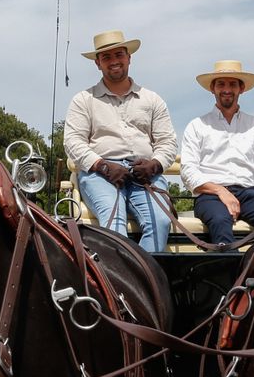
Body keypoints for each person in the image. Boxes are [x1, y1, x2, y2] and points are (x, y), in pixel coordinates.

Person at [64, 29, 176, 251]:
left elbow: (168, 143)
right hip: (100, 174)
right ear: (98, 63)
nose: (114, 61)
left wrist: (154, 164)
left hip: (145, 174)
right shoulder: (83, 100)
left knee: (161, 222)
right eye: (106, 57)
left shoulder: (152, 99)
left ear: (129, 58)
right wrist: (103, 165)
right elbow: (73, 141)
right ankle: (119, 284)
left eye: (119, 55)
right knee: (114, 226)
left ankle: (144, 282)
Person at [179, 60, 254, 248]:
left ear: (241, 89)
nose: (226, 89)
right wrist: (221, 191)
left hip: (250, 195)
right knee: (220, 220)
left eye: (232, 84)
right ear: (212, 88)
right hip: (210, 195)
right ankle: (228, 276)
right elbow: (188, 171)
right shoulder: (197, 126)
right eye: (221, 84)